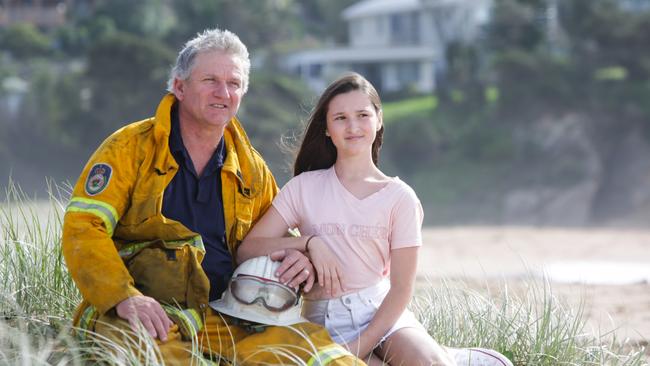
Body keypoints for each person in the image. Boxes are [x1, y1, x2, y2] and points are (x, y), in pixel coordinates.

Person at [62, 28, 362, 365]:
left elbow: (274, 241)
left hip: (236, 315)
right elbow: (84, 228)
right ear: (179, 86)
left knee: (326, 359)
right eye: (210, 81)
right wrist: (123, 297)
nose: (223, 93)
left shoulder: (252, 169)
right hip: (145, 313)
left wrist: (300, 256)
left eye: (234, 84)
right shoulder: (128, 149)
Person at [237, 73, 514, 366]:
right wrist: (309, 243)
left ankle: (449, 357)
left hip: (383, 314)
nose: (353, 126)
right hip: (322, 322)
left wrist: (360, 345)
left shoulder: (400, 197)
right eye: (341, 118)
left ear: (379, 119)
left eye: (362, 115)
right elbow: (248, 249)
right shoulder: (304, 187)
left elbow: (402, 289)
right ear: (327, 129)